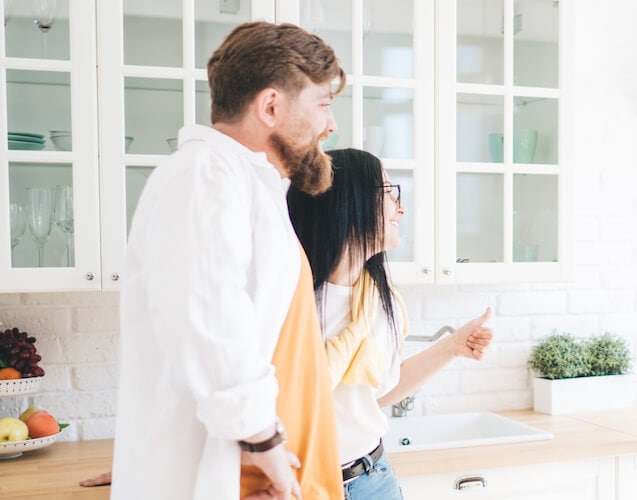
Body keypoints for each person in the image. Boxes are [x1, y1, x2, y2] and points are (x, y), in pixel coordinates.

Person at [112, 21, 346, 500]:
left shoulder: (248, 187)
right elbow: (206, 317)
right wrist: (267, 445)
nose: (331, 124)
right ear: (271, 106)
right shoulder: (202, 178)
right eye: (323, 104)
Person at [286, 148, 495, 499]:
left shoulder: (379, 301)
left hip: (374, 478)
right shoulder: (291, 301)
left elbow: (379, 395)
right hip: (304, 484)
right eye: (389, 194)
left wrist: (452, 346)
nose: (401, 208)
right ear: (350, 204)